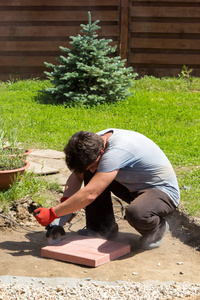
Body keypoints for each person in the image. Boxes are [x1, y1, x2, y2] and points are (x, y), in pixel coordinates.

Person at [34, 128, 180, 250]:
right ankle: (101, 229)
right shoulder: (92, 144)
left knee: (136, 213)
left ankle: (157, 229)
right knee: (90, 173)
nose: (91, 170)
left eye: (92, 165)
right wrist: (64, 211)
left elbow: (91, 194)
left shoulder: (116, 152)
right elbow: (77, 177)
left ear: (102, 153)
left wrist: (53, 213)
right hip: (131, 186)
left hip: (162, 192)